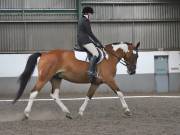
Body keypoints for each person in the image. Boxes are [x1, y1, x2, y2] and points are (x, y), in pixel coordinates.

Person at [77, 6, 103, 82]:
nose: (91, 15)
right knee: (96, 54)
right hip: (84, 40)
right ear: (87, 13)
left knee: (94, 50)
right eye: (91, 14)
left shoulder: (81, 19)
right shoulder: (85, 20)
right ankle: (91, 71)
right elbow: (90, 33)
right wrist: (98, 42)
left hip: (82, 39)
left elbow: (87, 33)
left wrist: (94, 43)